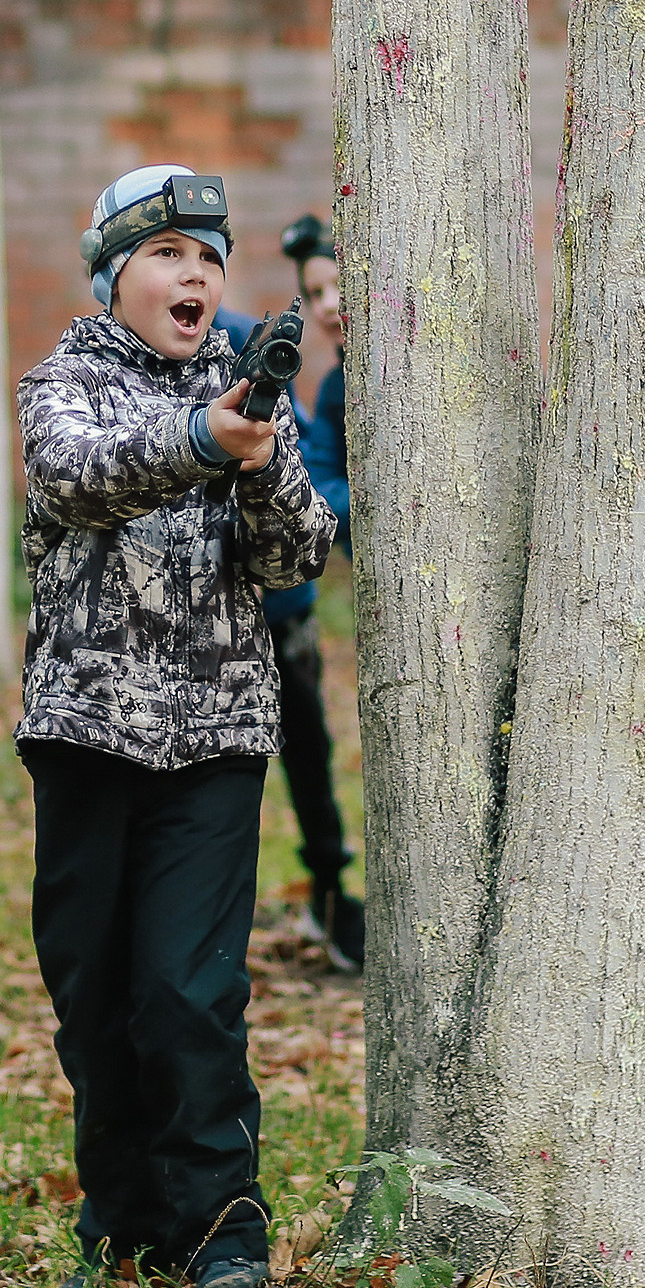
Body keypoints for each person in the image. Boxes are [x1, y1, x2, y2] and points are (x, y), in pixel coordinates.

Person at [14, 163, 336, 1288]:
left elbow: (296, 554)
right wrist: (205, 437)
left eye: (207, 256)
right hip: (86, 739)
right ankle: (120, 1225)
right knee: (95, 995)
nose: (191, 273)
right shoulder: (66, 383)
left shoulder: (250, 393)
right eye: (164, 255)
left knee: (187, 991)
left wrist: (253, 456)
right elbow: (79, 476)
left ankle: (221, 1225)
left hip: (213, 742)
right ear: (113, 280)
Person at [214, 219, 363, 970]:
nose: (330, 302)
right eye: (314, 292)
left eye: (338, 282)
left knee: (308, 748)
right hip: (233, 614)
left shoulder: (312, 390)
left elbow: (311, 477)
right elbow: (324, 479)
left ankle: (334, 891)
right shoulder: (322, 388)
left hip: (287, 612)